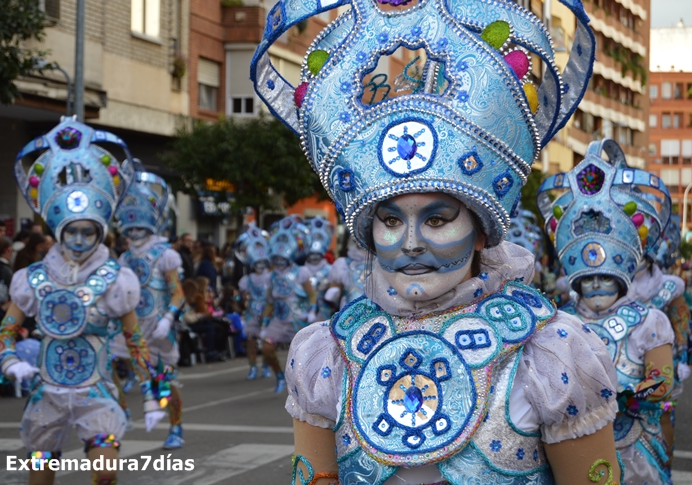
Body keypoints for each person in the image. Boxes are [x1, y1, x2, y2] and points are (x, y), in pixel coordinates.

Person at [251, 1, 622, 482]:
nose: (409, 243)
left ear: (483, 229)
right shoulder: (326, 354)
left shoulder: (549, 353)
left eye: (438, 218)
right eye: (388, 220)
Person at [0, 117, 165, 485]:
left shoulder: (118, 280)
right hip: (47, 395)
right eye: (72, 230)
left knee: (105, 475)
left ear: (100, 231)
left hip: (95, 391)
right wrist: (10, 364)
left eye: (89, 230)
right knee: (39, 477)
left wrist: (154, 394)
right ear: (59, 231)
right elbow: (5, 333)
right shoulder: (33, 279)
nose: (79, 238)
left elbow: (136, 341)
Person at [540, 139, 674, 485]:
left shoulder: (649, 321)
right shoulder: (558, 320)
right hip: (568, 447)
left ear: (623, 278)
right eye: (589, 280)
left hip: (631, 447)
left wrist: (630, 393)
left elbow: (663, 379)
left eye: (605, 278)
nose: (597, 285)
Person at [111, 169, 186, 450]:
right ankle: (123, 411)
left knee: (165, 379)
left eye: (139, 228)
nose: (134, 233)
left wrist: (169, 318)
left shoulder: (165, 254)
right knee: (107, 365)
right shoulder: (124, 257)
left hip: (158, 325)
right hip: (130, 326)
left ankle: (176, 427)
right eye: (129, 229)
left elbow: (177, 292)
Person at [628, 216, 692, 471]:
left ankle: (663, 469)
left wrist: (684, 359)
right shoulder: (610, 284)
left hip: (661, 363)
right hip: (621, 362)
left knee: (662, 413)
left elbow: (682, 326)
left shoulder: (669, 288)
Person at [262, 217, 316, 393]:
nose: (279, 261)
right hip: (279, 321)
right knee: (267, 347)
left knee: (302, 356)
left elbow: (312, 295)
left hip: (298, 321)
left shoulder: (301, 272)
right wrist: (264, 324)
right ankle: (278, 375)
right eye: (276, 258)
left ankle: (304, 386)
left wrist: (311, 312)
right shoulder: (271, 277)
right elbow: (270, 302)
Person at [236, 224, 272, 379]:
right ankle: (252, 367)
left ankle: (265, 366)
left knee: (266, 342)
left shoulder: (271, 277)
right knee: (250, 340)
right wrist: (241, 299)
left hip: (267, 312)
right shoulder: (247, 280)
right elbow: (241, 297)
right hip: (251, 312)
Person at [304, 216, 334, 323]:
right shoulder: (301, 270)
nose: (314, 257)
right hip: (302, 314)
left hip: (324, 316)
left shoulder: (331, 270)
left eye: (317, 254)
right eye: (312, 254)